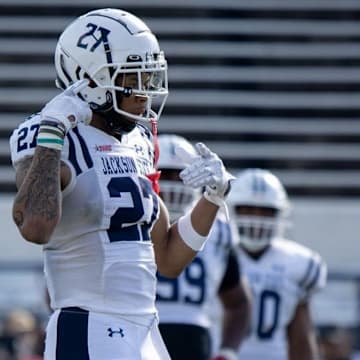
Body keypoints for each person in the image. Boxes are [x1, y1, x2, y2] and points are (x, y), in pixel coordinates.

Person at [9, 8, 233, 360]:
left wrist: (213, 198)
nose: (146, 91)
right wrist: (52, 135)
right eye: (135, 77)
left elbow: (168, 259)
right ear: (90, 78)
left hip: (145, 328)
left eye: (149, 76)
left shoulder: (138, 141)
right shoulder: (51, 132)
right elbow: (35, 226)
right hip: (89, 324)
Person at [155, 134, 252, 360]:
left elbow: (238, 302)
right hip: (137, 328)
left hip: (194, 340)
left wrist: (228, 351)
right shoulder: (132, 217)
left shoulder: (219, 229)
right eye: (164, 174)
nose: (171, 183)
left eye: (180, 175)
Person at [226, 168, 327, 360]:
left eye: (266, 211)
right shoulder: (217, 252)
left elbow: (301, 337)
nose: (256, 218)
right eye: (247, 209)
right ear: (233, 210)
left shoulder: (299, 263)